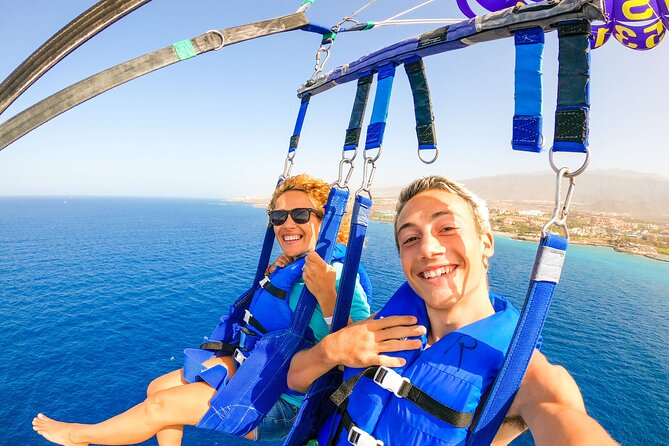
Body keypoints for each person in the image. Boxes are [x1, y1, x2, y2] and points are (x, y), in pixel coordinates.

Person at [32, 174, 371, 446]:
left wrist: (327, 294)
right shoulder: (293, 266)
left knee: (162, 406)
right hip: (260, 371)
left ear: (325, 222)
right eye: (278, 217)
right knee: (156, 388)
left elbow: (362, 349)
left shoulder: (339, 275)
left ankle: (80, 436)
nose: (287, 224)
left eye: (300, 215)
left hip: (287, 403)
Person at [287, 175, 618, 445]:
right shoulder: (386, 325)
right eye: (410, 239)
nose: (428, 248)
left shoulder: (525, 376)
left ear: (486, 243)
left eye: (446, 229)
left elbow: (566, 421)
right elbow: (295, 379)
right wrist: (331, 350)